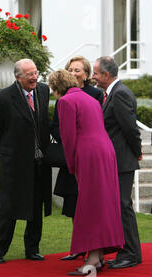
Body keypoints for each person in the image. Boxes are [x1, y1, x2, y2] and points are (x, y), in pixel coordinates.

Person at [48, 69, 125, 275]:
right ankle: (97, 257)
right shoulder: (91, 99)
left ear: (57, 88)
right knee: (102, 203)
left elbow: (68, 138)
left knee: (90, 205)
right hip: (106, 152)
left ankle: (92, 260)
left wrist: (71, 165)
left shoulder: (65, 102)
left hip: (88, 154)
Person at [0, 59, 52, 263]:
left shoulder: (43, 91)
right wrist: (6, 155)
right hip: (13, 164)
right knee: (9, 208)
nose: (34, 77)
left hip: (39, 162)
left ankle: (32, 248)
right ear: (18, 77)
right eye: (29, 74)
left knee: (36, 207)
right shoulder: (3, 98)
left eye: (36, 73)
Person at [50, 56, 104, 261]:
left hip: (83, 157)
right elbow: (59, 127)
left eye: (77, 70)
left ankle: (94, 255)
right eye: (70, 70)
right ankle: (91, 252)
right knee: (80, 205)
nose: (73, 73)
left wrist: (72, 163)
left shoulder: (74, 99)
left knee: (89, 206)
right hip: (94, 153)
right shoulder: (82, 99)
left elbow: (72, 135)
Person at [93, 56, 143, 269]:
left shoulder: (120, 93)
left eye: (95, 73)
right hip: (116, 160)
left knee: (123, 206)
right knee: (121, 206)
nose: (93, 76)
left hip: (122, 160)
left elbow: (130, 128)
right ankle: (131, 252)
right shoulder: (112, 93)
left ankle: (130, 254)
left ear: (106, 74)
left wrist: (137, 151)